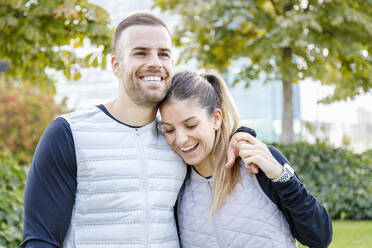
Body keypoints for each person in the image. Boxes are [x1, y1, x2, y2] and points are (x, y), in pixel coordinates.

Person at [21, 13, 186, 247]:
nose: (155, 63)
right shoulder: (68, 133)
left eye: (164, 54)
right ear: (116, 65)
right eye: (140, 53)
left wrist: (242, 134)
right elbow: (40, 239)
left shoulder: (179, 139)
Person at [158, 71, 333, 248]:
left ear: (216, 119)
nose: (180, 139)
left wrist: (282, 177)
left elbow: (320, 237)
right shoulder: (177, 185)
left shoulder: (258, 162)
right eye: (169, 130)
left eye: (190, 125)